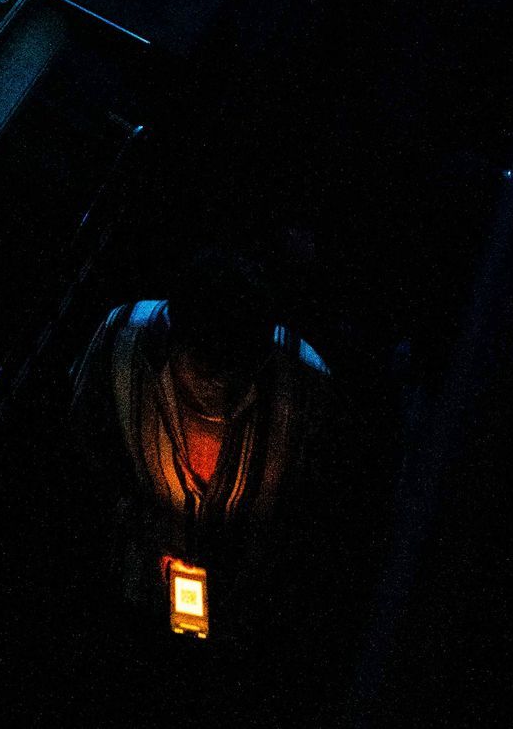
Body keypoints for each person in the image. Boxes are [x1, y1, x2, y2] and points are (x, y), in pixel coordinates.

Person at [70, 248, 332, 640]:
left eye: (237, 371)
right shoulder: (121, 339)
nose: (221, 391)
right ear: (174, 339)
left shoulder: (305, 382)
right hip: (134, 591)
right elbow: (82, 444)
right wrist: (136, 519)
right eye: (207, 369)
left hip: (249, 613)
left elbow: (319, 510)